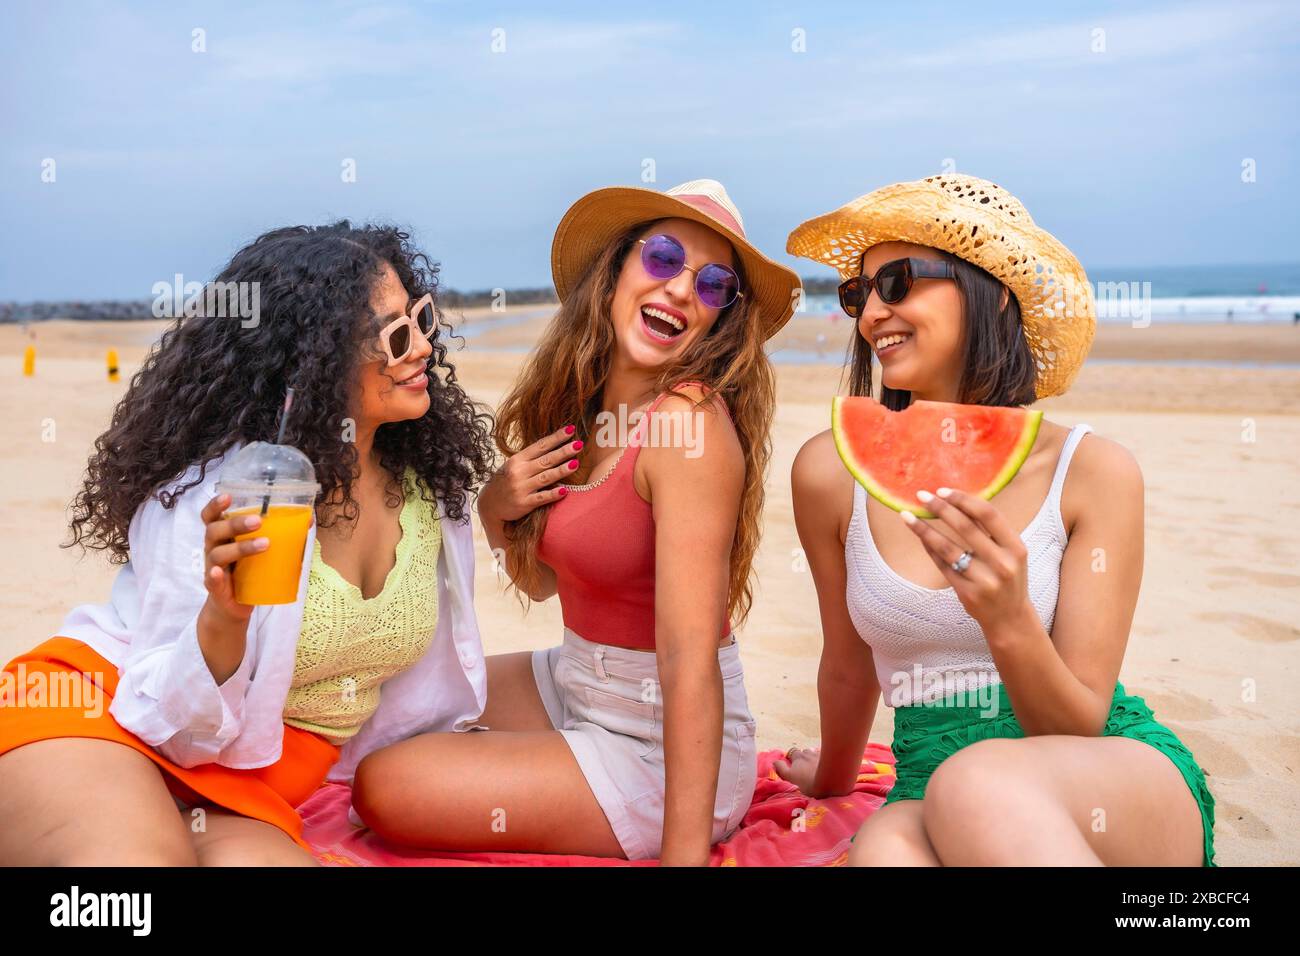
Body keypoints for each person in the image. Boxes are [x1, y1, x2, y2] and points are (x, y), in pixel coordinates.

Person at [0, 222, 496, 865]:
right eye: (395, 335)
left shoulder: (428, 488)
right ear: (314, 359)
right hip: (116, 720)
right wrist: (223, 617)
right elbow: (171, 717)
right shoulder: (223, 493)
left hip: (249, 783)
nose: (423, 346)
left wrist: (509, 517)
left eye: (422, 319)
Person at [351, 180, 801, 865]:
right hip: (576, 680)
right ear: (617, 269)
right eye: (662, 258)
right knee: (391, 711)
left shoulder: (688, 426)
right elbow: (538, 586)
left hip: (658, 743)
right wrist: (496, 506)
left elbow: (687, 663)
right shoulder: (585, 411)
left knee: (385, 787)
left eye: (713, 285)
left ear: (722, 318)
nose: (682, 290)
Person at [778, 174, 1217, 866]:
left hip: (1100, 774)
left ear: (993, 292)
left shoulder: (1094, 471)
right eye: (859, 295)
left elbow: (1077, 722)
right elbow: (847, 662)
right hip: (925, 777)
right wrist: (831, 781)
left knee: (976, 784)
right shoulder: (829, 473)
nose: (870, 317)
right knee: (883, 853)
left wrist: (1009, 618)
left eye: (898, 283)